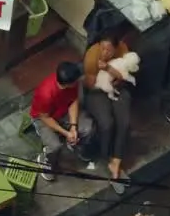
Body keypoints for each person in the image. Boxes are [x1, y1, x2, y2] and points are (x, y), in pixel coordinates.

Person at [82, 27, 137, 194]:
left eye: (109, 50)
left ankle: (116, 163)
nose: (105, 53)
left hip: (117, 85)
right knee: (107, 123)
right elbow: (91, 85)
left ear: (116, 48)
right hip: (97, 91)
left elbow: (124, 75)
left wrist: (113, 77)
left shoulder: (123, 49)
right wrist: (106, 79)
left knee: (124, 122)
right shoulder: (92, 57)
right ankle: (107, 156)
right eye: (103, 48)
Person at [31, 61, 94, 182]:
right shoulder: (46, 94)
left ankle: (76, 144)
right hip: (43, 118)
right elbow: (45, 117)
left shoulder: (72, 84)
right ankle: (47, 160)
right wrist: (66, 133)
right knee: (55, 146)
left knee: (88, 127)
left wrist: (73, 127)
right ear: (67, 84)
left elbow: (73, 101)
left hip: (63, 111)